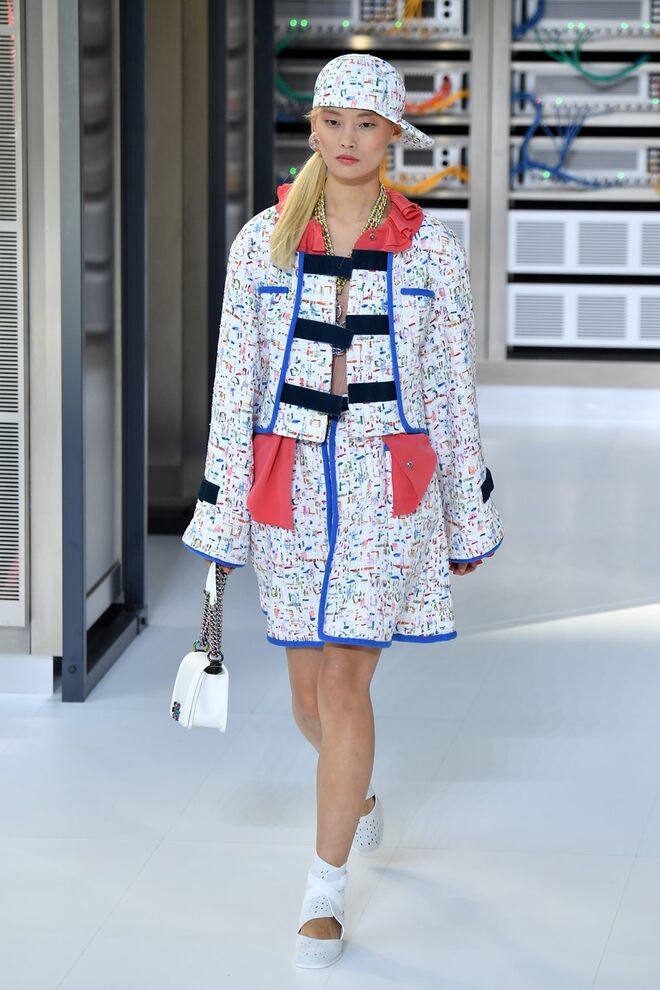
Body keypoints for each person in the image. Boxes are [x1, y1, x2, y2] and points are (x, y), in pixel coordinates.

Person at [181, 53, 503, 968]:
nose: (349, 140)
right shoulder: (262, 243)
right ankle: (352, 796)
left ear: (394, 135)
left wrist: (466, 516)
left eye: (368, 125)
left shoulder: (434, 251)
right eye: (334, 121)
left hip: (386, 484)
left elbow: (451, 391)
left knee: (343, 685)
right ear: (314, 127)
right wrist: (221, 517)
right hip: (287, 482)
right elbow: (234, 386)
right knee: (304, 696)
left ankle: (323, 893)